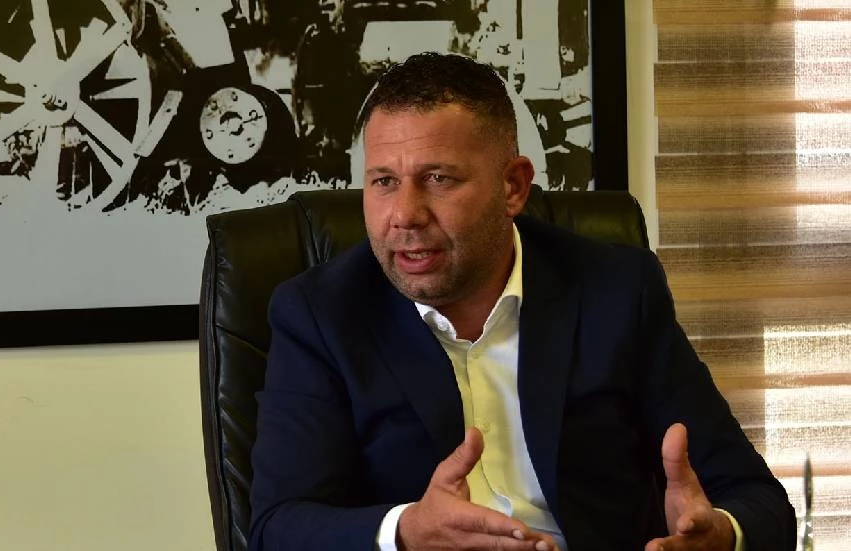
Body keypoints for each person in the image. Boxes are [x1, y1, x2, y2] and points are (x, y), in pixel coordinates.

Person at [248, 52, 796, 551]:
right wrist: (408, 531)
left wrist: (721, 534)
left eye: (438, 178)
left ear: (513, 186)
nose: (405, 214)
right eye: (384, 181)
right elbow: (277, 529)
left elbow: (759, 502)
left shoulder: (616, 289)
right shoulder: (320, 314)